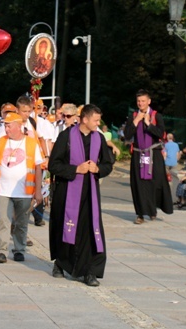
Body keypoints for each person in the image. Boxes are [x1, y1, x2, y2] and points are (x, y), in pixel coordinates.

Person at [48, 104, 113, 287]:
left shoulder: (99, 139)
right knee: (65, 229)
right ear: (84, 119)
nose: (98, 123)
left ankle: (89, 271)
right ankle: (60, 263)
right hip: (67, 192)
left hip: (90, 195)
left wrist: (97, 168)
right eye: (96, 120)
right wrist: (76, 169)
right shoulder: (66, 136)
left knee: (88, 233)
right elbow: (54, 165)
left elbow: (108, 165)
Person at [0, 112, 43, 264]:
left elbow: (38, 167)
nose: (6, 129)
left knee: (21, 222)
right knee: (4, 221)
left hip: (24, 191)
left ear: (19, 126)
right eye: (5, 125)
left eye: (9, 125)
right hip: (3, 190)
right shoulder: (1, 142)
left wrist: (38, 191)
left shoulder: (31, 143)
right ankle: (1, 251)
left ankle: (19, 249)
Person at [124, 89, 173, 224]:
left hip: (154, 154)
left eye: (143, 101)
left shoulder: (157, 116)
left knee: (156, 182)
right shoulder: (133, 115)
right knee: (138, 184)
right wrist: (136, 121)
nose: (140, 103)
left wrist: (148, 124)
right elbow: (127, 135)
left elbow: (161, 134)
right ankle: (140, 214)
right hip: (138, 154)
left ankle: (152, 210)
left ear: (149, 101)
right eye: (138, 101)